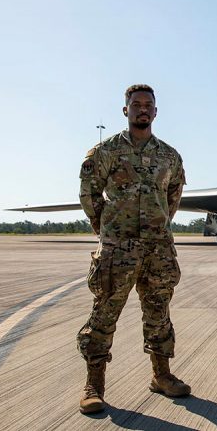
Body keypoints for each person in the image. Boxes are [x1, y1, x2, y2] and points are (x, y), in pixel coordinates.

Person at [76, 84, 190, 414]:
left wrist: (157, 227)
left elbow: (173, 197)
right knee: (104, 314)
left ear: (155, 112)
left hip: (158, 249)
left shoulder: (170, 156)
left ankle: (162, 376)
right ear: (125, 110)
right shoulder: (105, 153)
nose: (142, 109)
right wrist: (108, 231)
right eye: (136, 104)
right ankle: (93, 385)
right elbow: (90, 195)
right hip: (118, 250)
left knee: (159, 313)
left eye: (148, 105)